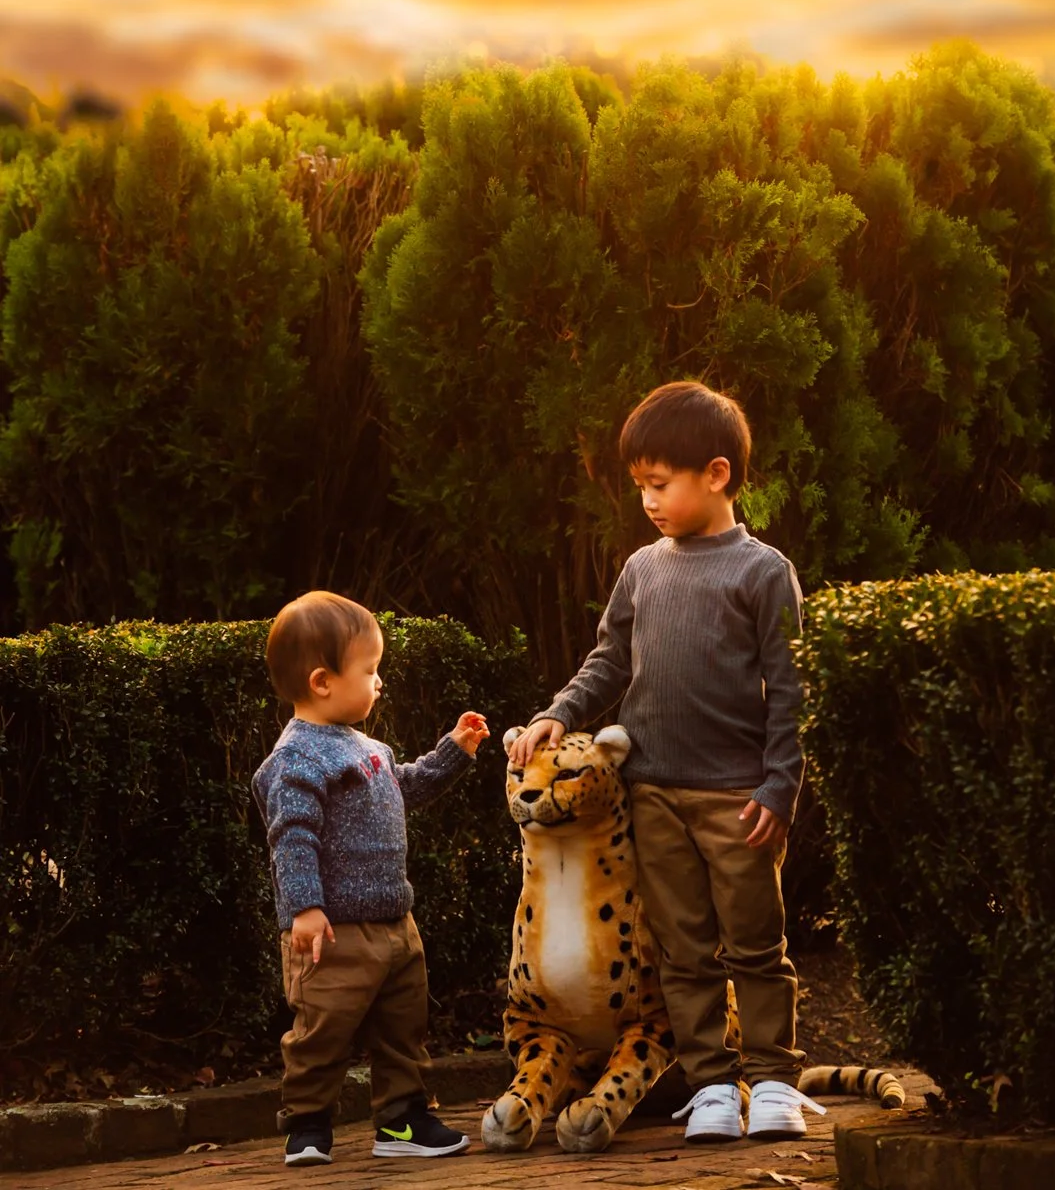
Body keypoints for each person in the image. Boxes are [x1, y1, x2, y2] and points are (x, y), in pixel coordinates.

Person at [510, 381, 823, 1144]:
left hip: (739, 798)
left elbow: (790, 690)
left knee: (755, 942)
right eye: (640, 485)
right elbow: (609, 659)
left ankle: (775, 1078)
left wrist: (781, 786)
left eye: (661, 482)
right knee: (682, 951)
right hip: (650, 792)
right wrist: (558, 712)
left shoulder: (762, 570)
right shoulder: (644, 568)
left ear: (716, 473)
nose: (647, 500)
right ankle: (711, 1084)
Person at [252, 590, 489, 1166]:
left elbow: (404, 789)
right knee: (322, 1032)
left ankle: (401, 1121)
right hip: (333, 931)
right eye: (370, 670)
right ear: (322, 681)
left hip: (394, 924)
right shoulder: (296, 760)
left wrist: (453, 751)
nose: (379, 681)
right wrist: (305, 908)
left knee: (404, 1029)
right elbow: (293, 837)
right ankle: (307, 1123)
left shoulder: (369, 748)